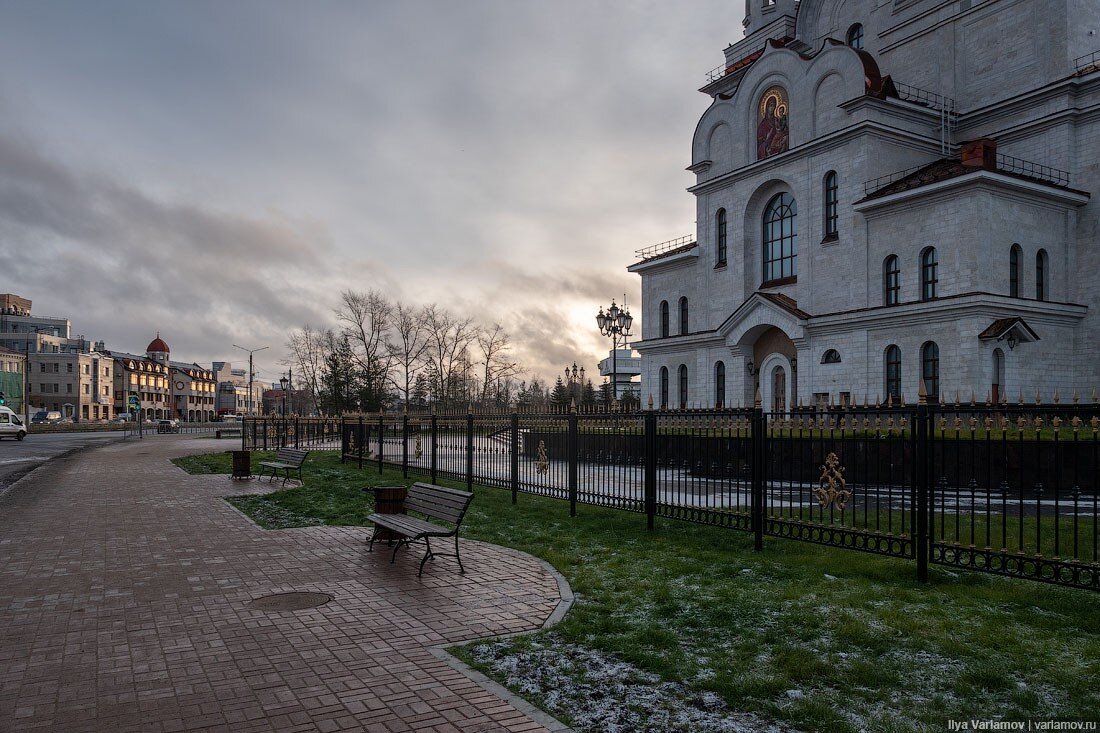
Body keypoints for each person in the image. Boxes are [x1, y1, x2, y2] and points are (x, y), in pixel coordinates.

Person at [757, 94, 789, 159]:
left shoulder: (776, 119)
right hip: (767, 144)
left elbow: (784, 130)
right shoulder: (762, 124)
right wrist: (766, 138)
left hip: (777, 141)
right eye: (771, 106)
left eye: (774, 106)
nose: (772, 108)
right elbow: (759, 141)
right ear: (767, 107)